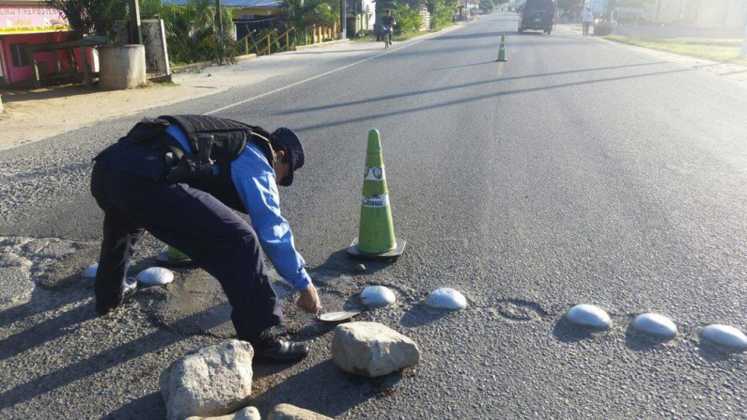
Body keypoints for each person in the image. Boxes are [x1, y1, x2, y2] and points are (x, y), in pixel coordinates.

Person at [90, 114, 322, 363]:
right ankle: (262, 337)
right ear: (281, 155)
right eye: (282, 176)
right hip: (145, 177)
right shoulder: (257, 157)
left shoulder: (232, 137)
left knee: (125, 220)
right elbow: (271, 228)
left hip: (108, 169)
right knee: (241, 241)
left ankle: (109, 295)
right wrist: (303, 283)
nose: (277, 182)